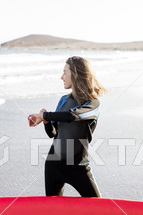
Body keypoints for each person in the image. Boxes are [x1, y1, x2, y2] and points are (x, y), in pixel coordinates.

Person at [28, 56, 106, 197]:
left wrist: (45, 116)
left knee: (97, 207)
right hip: (54, 165)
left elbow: (73, 116)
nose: (61, 77)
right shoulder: (63, 100)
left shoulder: (93, 104)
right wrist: (46, 122)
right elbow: (53, 133)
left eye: (65, 72)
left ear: (75, 74)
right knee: (54, 211)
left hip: (79, 168)